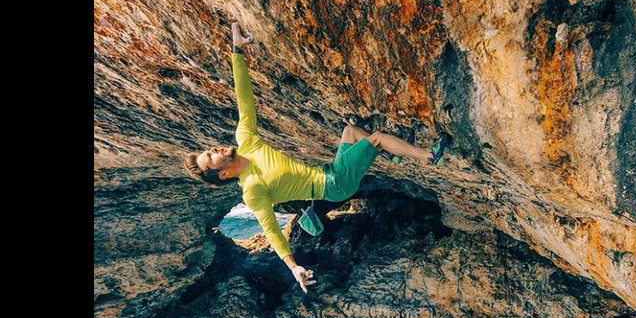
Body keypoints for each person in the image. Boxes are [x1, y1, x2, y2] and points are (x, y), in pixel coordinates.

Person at [185, 22, 450, 293]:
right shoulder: (252, 190)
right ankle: (431, 156)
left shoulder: (246, 141)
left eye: (209, 149)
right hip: (333, 186)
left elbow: (244, 100)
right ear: (223, 174)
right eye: (210, 157)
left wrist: (237, 52)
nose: (213, 150)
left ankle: (393, 154)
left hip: (329, 170)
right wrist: (293, 267)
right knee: (377, 137)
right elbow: (272, 231)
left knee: (351, 130)